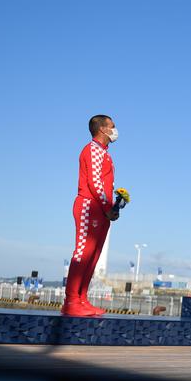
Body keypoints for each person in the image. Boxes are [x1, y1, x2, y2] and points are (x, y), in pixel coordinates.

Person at [62, 114, 121, 317]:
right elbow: (94, 183)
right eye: (112, 126)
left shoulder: (105, 153)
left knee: (94, 255)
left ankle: (82, 299)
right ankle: (71, 301)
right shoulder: (92, 150)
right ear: (102, 129)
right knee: (83, 252)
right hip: (89, 205)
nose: (115, 130)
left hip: (101, 209)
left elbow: (104, 184)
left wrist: (112, 207)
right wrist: (106, 206)